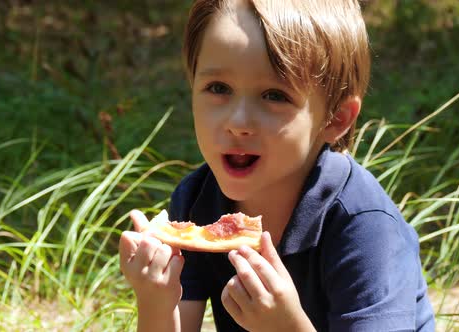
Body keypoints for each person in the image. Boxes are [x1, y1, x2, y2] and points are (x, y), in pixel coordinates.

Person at [119, 0, 436, 330]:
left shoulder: (365, 227)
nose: (238, 122)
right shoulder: (197, 200)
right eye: (218, 88)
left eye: (274, 95)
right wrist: (155, 298)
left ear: (336, 119)